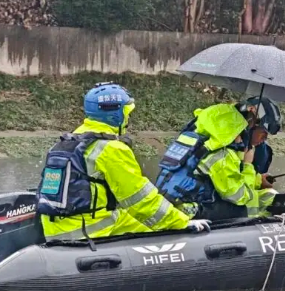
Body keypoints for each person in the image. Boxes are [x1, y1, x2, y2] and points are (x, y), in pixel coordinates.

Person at [36, 82, 210, 242]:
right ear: (116, 115)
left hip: (59, 228)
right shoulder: (111, 149)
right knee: (162, 230)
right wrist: (181, 223)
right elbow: (141, 201)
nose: (128, 119)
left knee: (133, 215)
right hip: (90, 231)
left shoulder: (68, 142)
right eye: (127, 113)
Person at [155, 100, 279, 221]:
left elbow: (228, 177)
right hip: (186, 208)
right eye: (264, 133)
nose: (265, 139)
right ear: (250, 125)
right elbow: (240, 196)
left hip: (170, 198)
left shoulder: (208, 137)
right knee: (249, 207)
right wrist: (247, 165)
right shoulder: (222, 152)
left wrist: (258, 180)